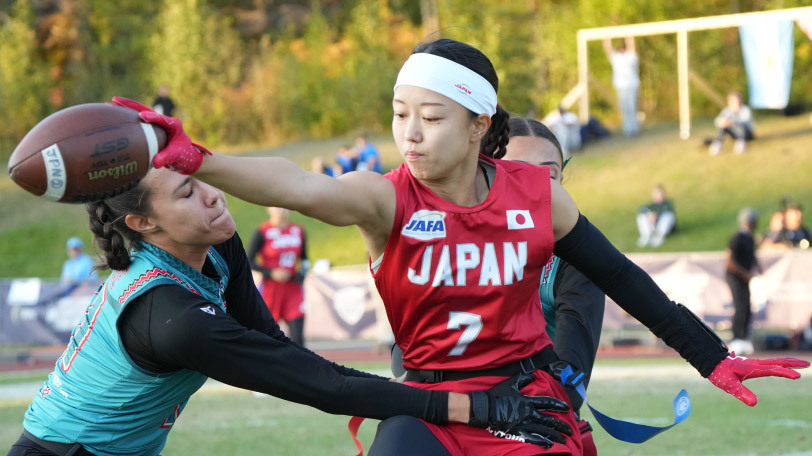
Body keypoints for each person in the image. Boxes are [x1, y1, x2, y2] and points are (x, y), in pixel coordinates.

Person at [132, 39, 807, 455]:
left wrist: (711, 356)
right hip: (428, 405)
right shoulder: (386, 198)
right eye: (400, 115)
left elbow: (623, 277)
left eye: (430, 118)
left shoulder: (538, 195)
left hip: (527, 403)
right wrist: (202, 160)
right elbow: (299, 184)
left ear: (480, 122)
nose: (411, 134)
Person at [8, 165, 571, 455]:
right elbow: (316, 385)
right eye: (185, 193)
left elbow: (282, 352)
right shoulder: (169, 316)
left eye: (201, 179)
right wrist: (471, 409)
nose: (211, 195)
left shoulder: (216, 242)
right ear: (142, 224)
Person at [247, 206, 309, 345]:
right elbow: (249, 261)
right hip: (271, 290)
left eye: (284, 207)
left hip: (293, 289)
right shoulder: (262, 231)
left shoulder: (298, 230)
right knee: (268, 334)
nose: (281, 210)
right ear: (268, 208)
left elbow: (305, 259)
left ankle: (299, 364)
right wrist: (271, 273)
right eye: (276, 207)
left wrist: (302, 274)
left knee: (297, 335)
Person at [725, 208, 762, 356]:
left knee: (747, 305)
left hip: (744, 277)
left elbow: (753, 258)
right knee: (740, 305)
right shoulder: (737, 238)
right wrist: (745, 274)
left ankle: (744, 337)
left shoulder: (750, 238)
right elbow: (729, 262)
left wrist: (758, 270)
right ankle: (736, 338)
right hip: (735, 277)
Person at [603, 37, 640, 137]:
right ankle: (628, 129)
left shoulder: (630, 56)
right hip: (621, 86)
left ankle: (634, 128)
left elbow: (632, 46)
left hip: (632, 85)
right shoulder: (617, 58)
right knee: (624, 108)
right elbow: (608, 49)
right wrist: (607, 38)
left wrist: (629, 37)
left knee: (632, 107)